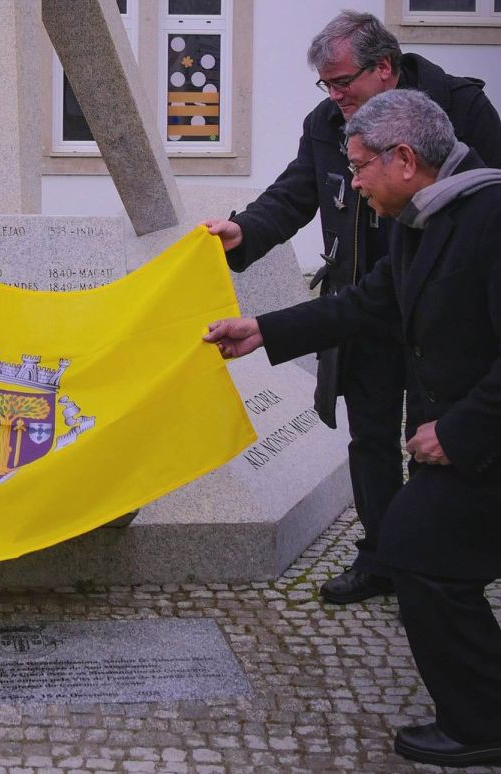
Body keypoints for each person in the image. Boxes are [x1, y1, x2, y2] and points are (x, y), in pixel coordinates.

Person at [204, 89, 501, 768]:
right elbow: (372, 301)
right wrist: (263, 330)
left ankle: (483, 719)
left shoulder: (490, 218)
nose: (353, 184)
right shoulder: (424, 218)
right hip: (468, 442)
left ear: (404, 160)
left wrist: (457, 432)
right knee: (417, 550)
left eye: (361, 168)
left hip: (482, 441)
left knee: (422, 552)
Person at [203, 11, 501, 606]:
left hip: (442, 302)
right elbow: (297, 190)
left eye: (342, 82)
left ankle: (434, 560)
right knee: (369, 436)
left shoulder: (459, 107)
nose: (333, 95)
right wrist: (244, 232)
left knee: (433, 428)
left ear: (384, 68)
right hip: (365, 298)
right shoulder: (326, 122)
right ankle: (383, 558)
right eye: (326, 85)